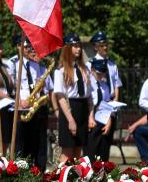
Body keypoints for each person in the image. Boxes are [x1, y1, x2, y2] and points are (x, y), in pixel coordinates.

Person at [12, 39, 53, 170]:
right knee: (23, 145)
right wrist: (18, 101)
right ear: (20, 48)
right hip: (23, 110)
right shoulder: (14, 65)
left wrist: (42, 90)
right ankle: (22, 173)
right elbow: (10, 88)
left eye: (32, 47)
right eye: (28, 48)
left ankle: (40, 172)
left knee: (40, 144)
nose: (31, 50)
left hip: (39, 108)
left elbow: (49, 88)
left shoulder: (39, 66)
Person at [53, 35, 94, 164]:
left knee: (78, 151)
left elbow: (89, 96)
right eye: (75, 46)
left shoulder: (85, 68)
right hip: (70, 109)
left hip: (82, 109)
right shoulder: (61, 71)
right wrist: (70, 120)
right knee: (67, 153)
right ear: (68, 48)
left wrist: (90, 116)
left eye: (79, 46)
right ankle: (61, 180)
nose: (78, 49)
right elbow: (60, 97)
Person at [86, 59, 115, 162]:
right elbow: (88, 103)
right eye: (99, 72)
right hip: (91, 119)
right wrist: (90, 118)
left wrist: (109, 121)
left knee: (103, 152)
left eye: (103, 73)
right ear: (92, 70)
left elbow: (107, 105)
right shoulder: (88, 84)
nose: (101, 75)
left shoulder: (104, 86)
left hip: (103, 119)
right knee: (91, 153)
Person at [88, 32, 123, 102]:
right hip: (98, 102)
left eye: (106, 45)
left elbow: (116, 84)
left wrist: (116, 99)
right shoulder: (90, 65)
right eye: (101, 46)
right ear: (95, 47)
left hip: (111, 101)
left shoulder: (112, 65)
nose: (105, 48)